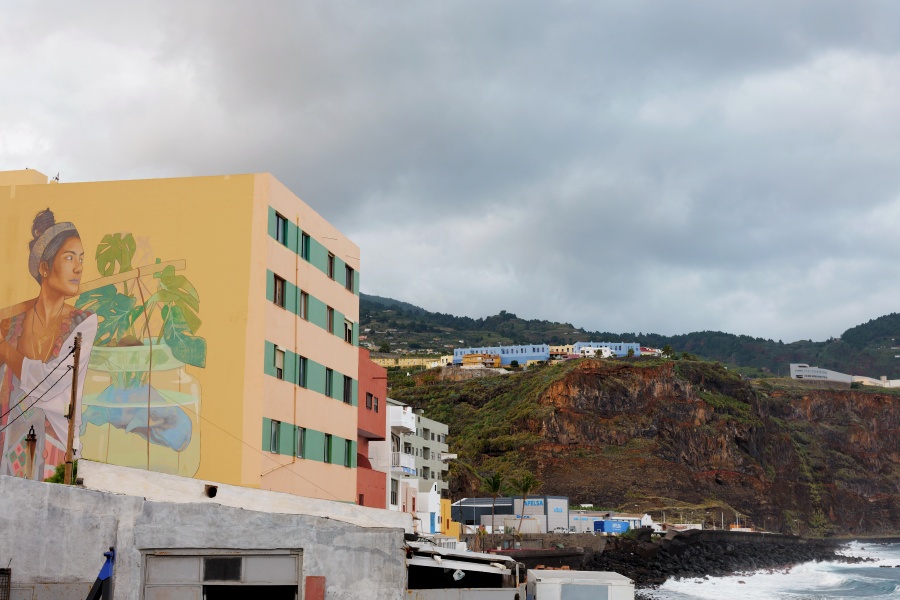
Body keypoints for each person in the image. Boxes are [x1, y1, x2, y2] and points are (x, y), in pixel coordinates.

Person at [0, 208, 97, 480]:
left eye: (81, 258)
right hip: (7, 452)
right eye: (69, 257)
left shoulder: (83, 324)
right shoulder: (11, 323)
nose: (79, 267)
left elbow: (47, 384)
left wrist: (4, 349)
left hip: (56, 453)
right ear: (44, 267)